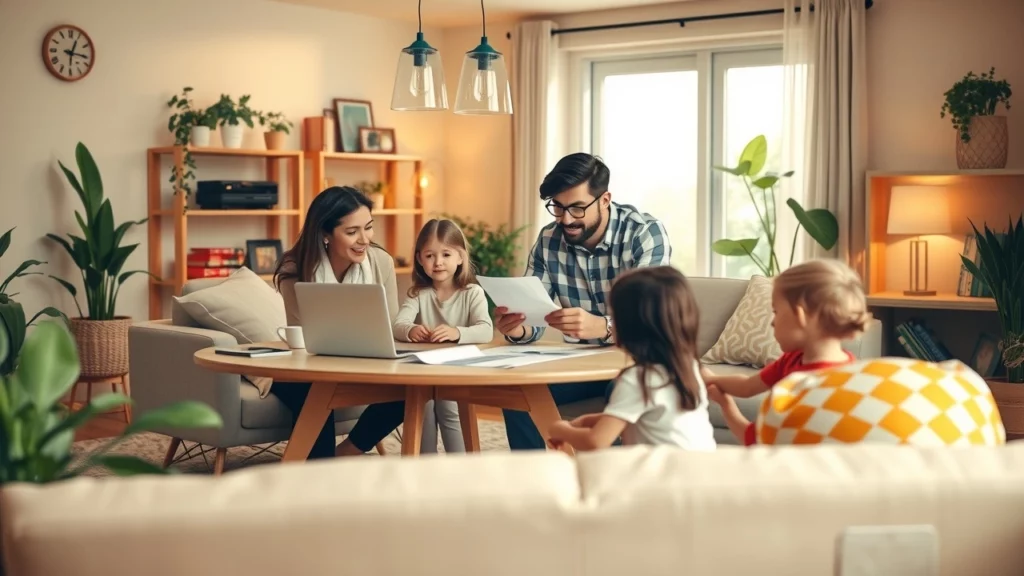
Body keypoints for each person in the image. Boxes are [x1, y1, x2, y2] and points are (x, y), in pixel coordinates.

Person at [493, 152, 673, 450]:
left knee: (626, 393)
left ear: (605, 200)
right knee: (518, 390)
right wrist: (517, 328)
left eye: (577, 208)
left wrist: (603, 326)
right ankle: (536, 484)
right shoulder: (549, 240)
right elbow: (534, 317)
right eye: (558, 207)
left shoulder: (644, 234)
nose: (565, 219)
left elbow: (650, 320)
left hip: (639, 361)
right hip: (581, 362)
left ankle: (611, 488)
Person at [335, 218, 493, 456]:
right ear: (420, 259)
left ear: (461, 257)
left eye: (446, 255)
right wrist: (410, 330)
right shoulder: (419, 294)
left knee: (448, 410)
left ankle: (461, 466)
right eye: (429, 256)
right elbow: (398, 325)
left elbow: (485, 329)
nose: (438, 262)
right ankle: (424, 466)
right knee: (423, 410)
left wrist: (456, 332)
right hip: (425, 371)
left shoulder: (472, 293)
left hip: (457, 370)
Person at [272, 186, 399, 459]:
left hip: (366, 363)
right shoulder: (296, 269)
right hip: (306, 367)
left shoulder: (381, 263)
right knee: (315, 388)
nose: (364, 239)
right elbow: (304, 338)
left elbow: (390, 327)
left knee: (410, 388)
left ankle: (346, 452)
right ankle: (318, 470)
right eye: (352, 232)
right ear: (325, 234)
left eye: (369, 227)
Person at [547, 266, 716, 452]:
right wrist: (592, 420)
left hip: (663, 478)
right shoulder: (688, 368)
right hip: (704, 470)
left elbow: (596, 442)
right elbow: (651, 417)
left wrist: (560, 429)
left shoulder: (638, 379)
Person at [704, 259, 870, 445]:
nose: (772, 322)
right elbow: (748, 386)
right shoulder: (797, 360)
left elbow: (755, 440)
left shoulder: (807, 389)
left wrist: (725, 404)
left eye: (775, 311)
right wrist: (713, 379)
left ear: (800, 316)